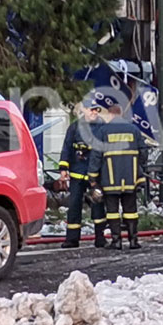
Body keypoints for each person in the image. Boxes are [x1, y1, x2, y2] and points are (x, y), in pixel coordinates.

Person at [89, 97, 148, 251]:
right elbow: (143, 152)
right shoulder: (134, 130)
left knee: (113, 211)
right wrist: (137, 166)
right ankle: (133, 240)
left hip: (110, 179)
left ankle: (117, 241)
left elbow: (95, 156)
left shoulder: (103, 131)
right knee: (131, 210)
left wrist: (93, 177)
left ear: (110, 115)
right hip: (130, 177)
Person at [58, 95, 105, 249]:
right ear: (84, 110)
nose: (94, 112)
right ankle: (72, 239)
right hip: (78, 173)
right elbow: (67, 148)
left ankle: (100, 237)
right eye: (92, 109)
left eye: (97, 110)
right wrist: (63, 169)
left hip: (95, 174)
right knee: (74, 205)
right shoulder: (74, 127)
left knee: (97, 204)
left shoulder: (102, 127)